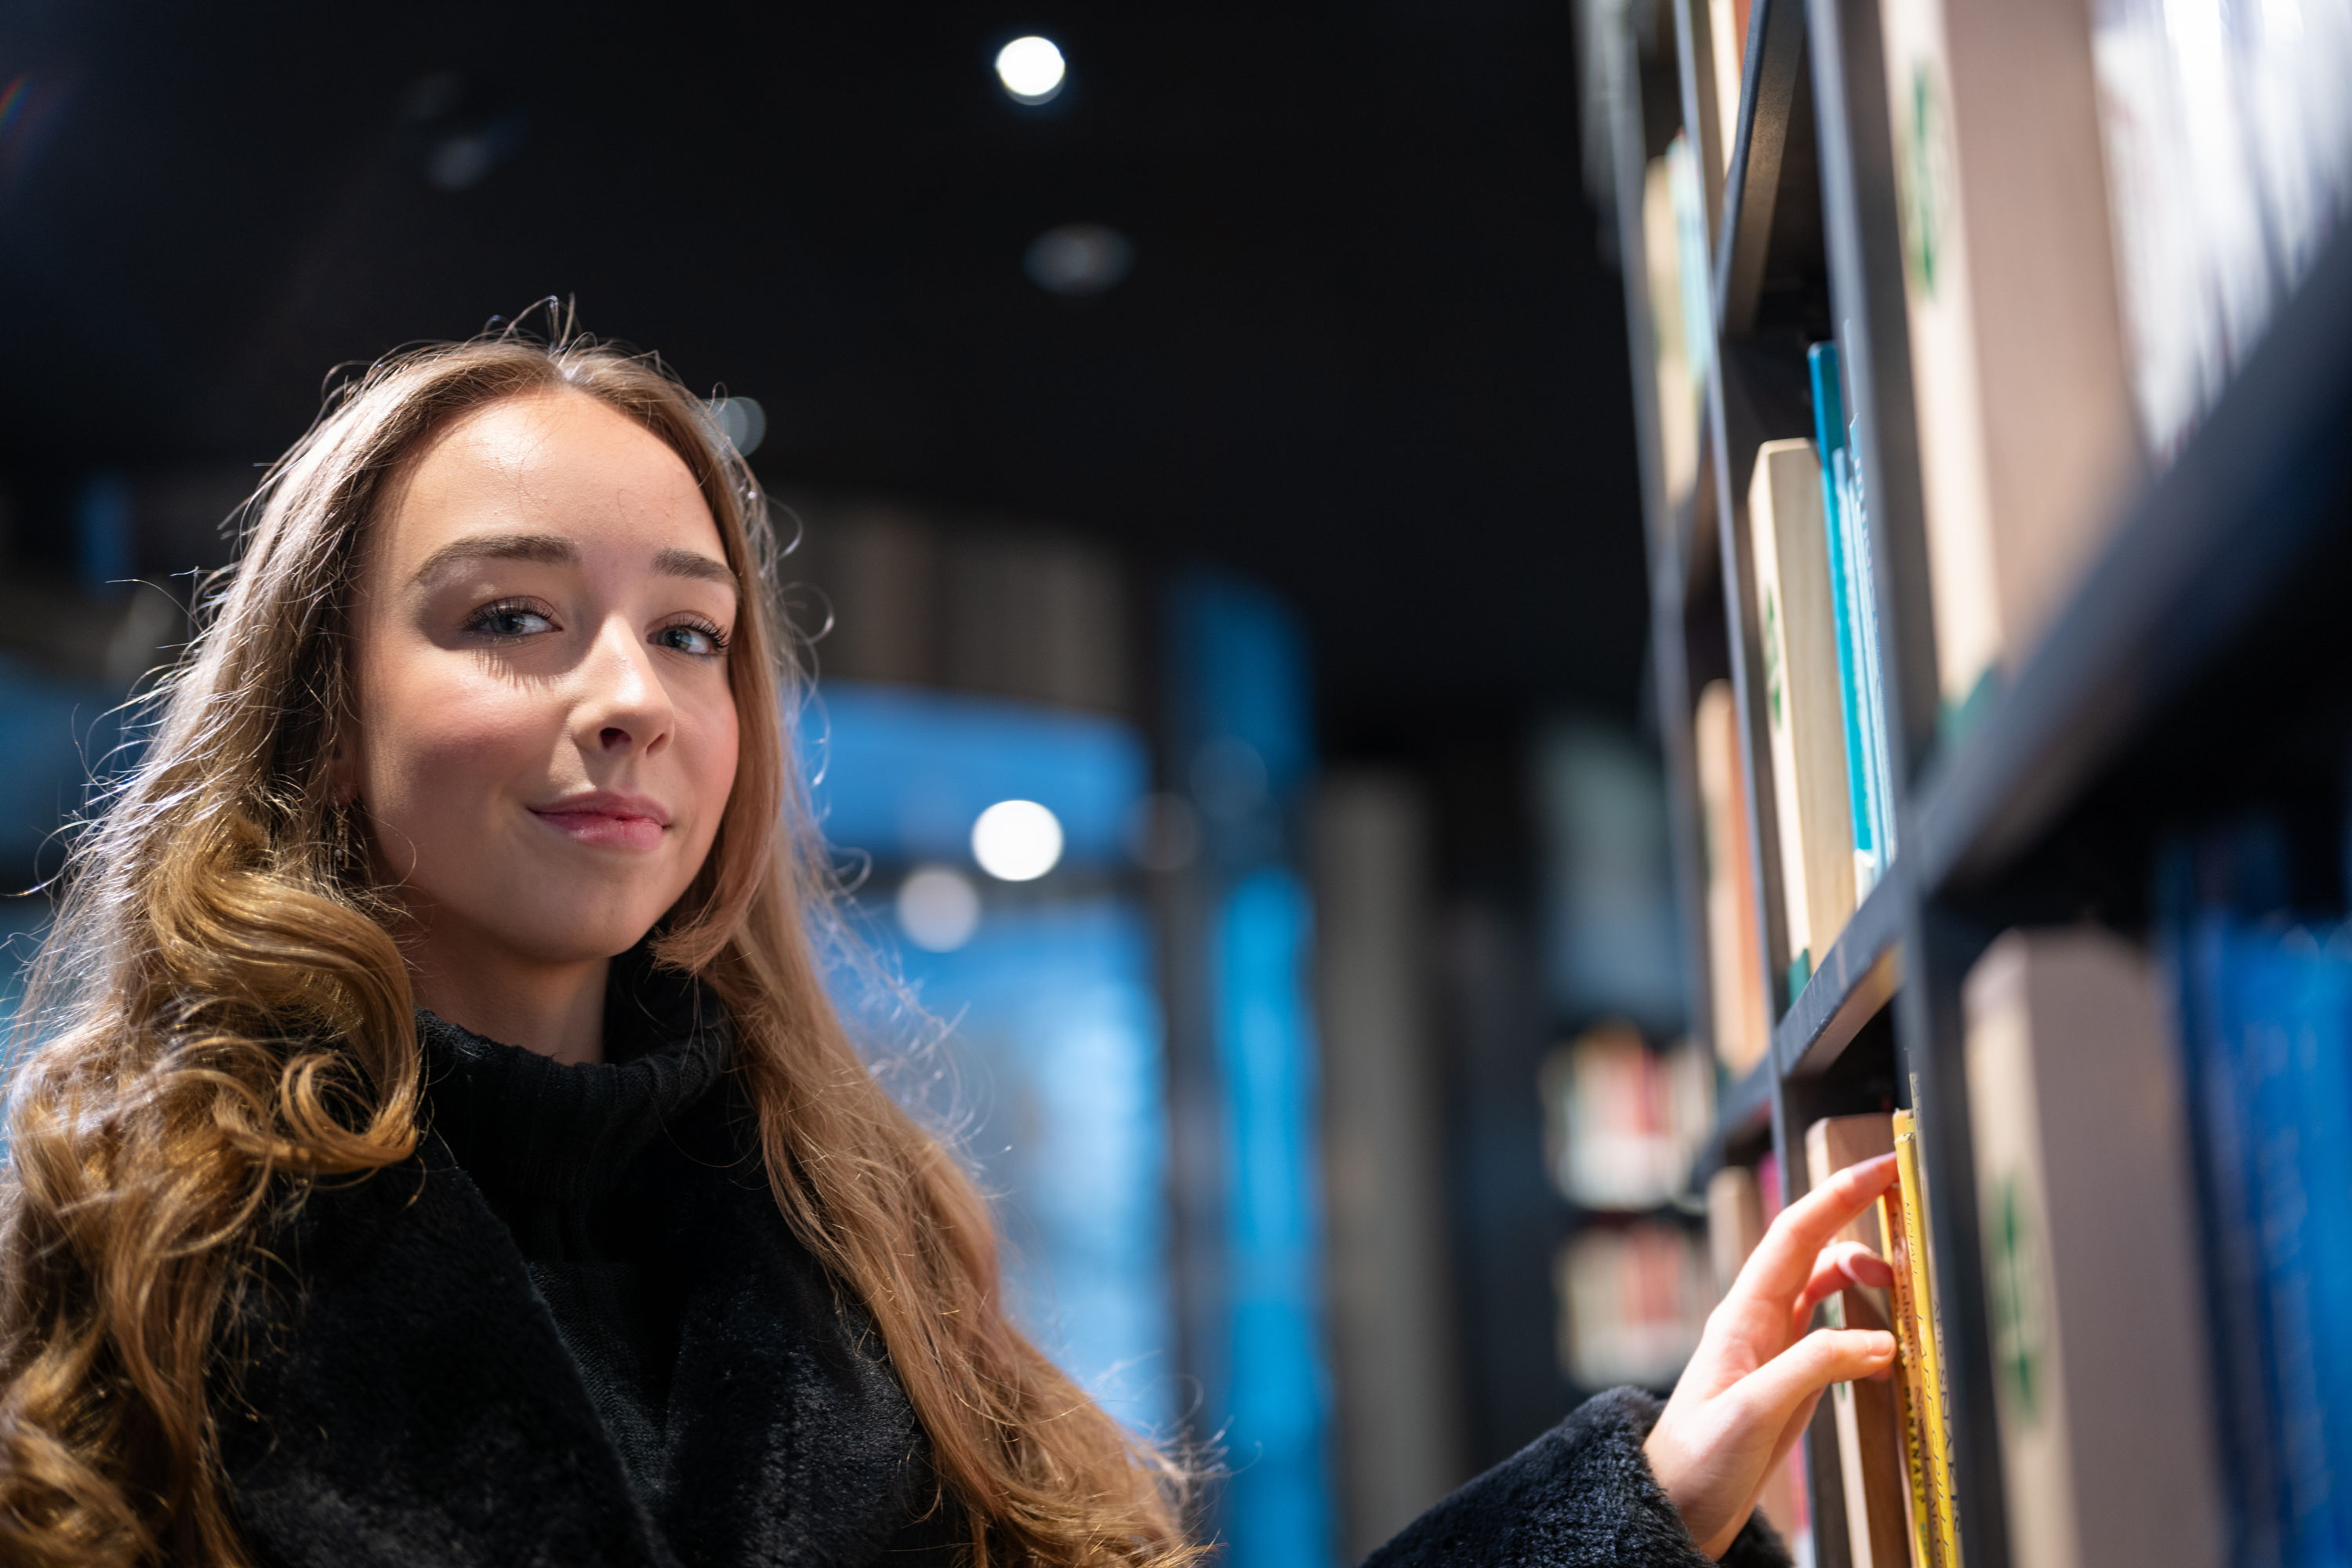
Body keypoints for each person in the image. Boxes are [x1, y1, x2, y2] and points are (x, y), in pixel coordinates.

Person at [0, 326, 1899, 1567]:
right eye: (509, 616)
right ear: (326, 711)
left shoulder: (848, 1232)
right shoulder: (117, 1241)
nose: (629, 698)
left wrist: (1627, 1503)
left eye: (687, 633)